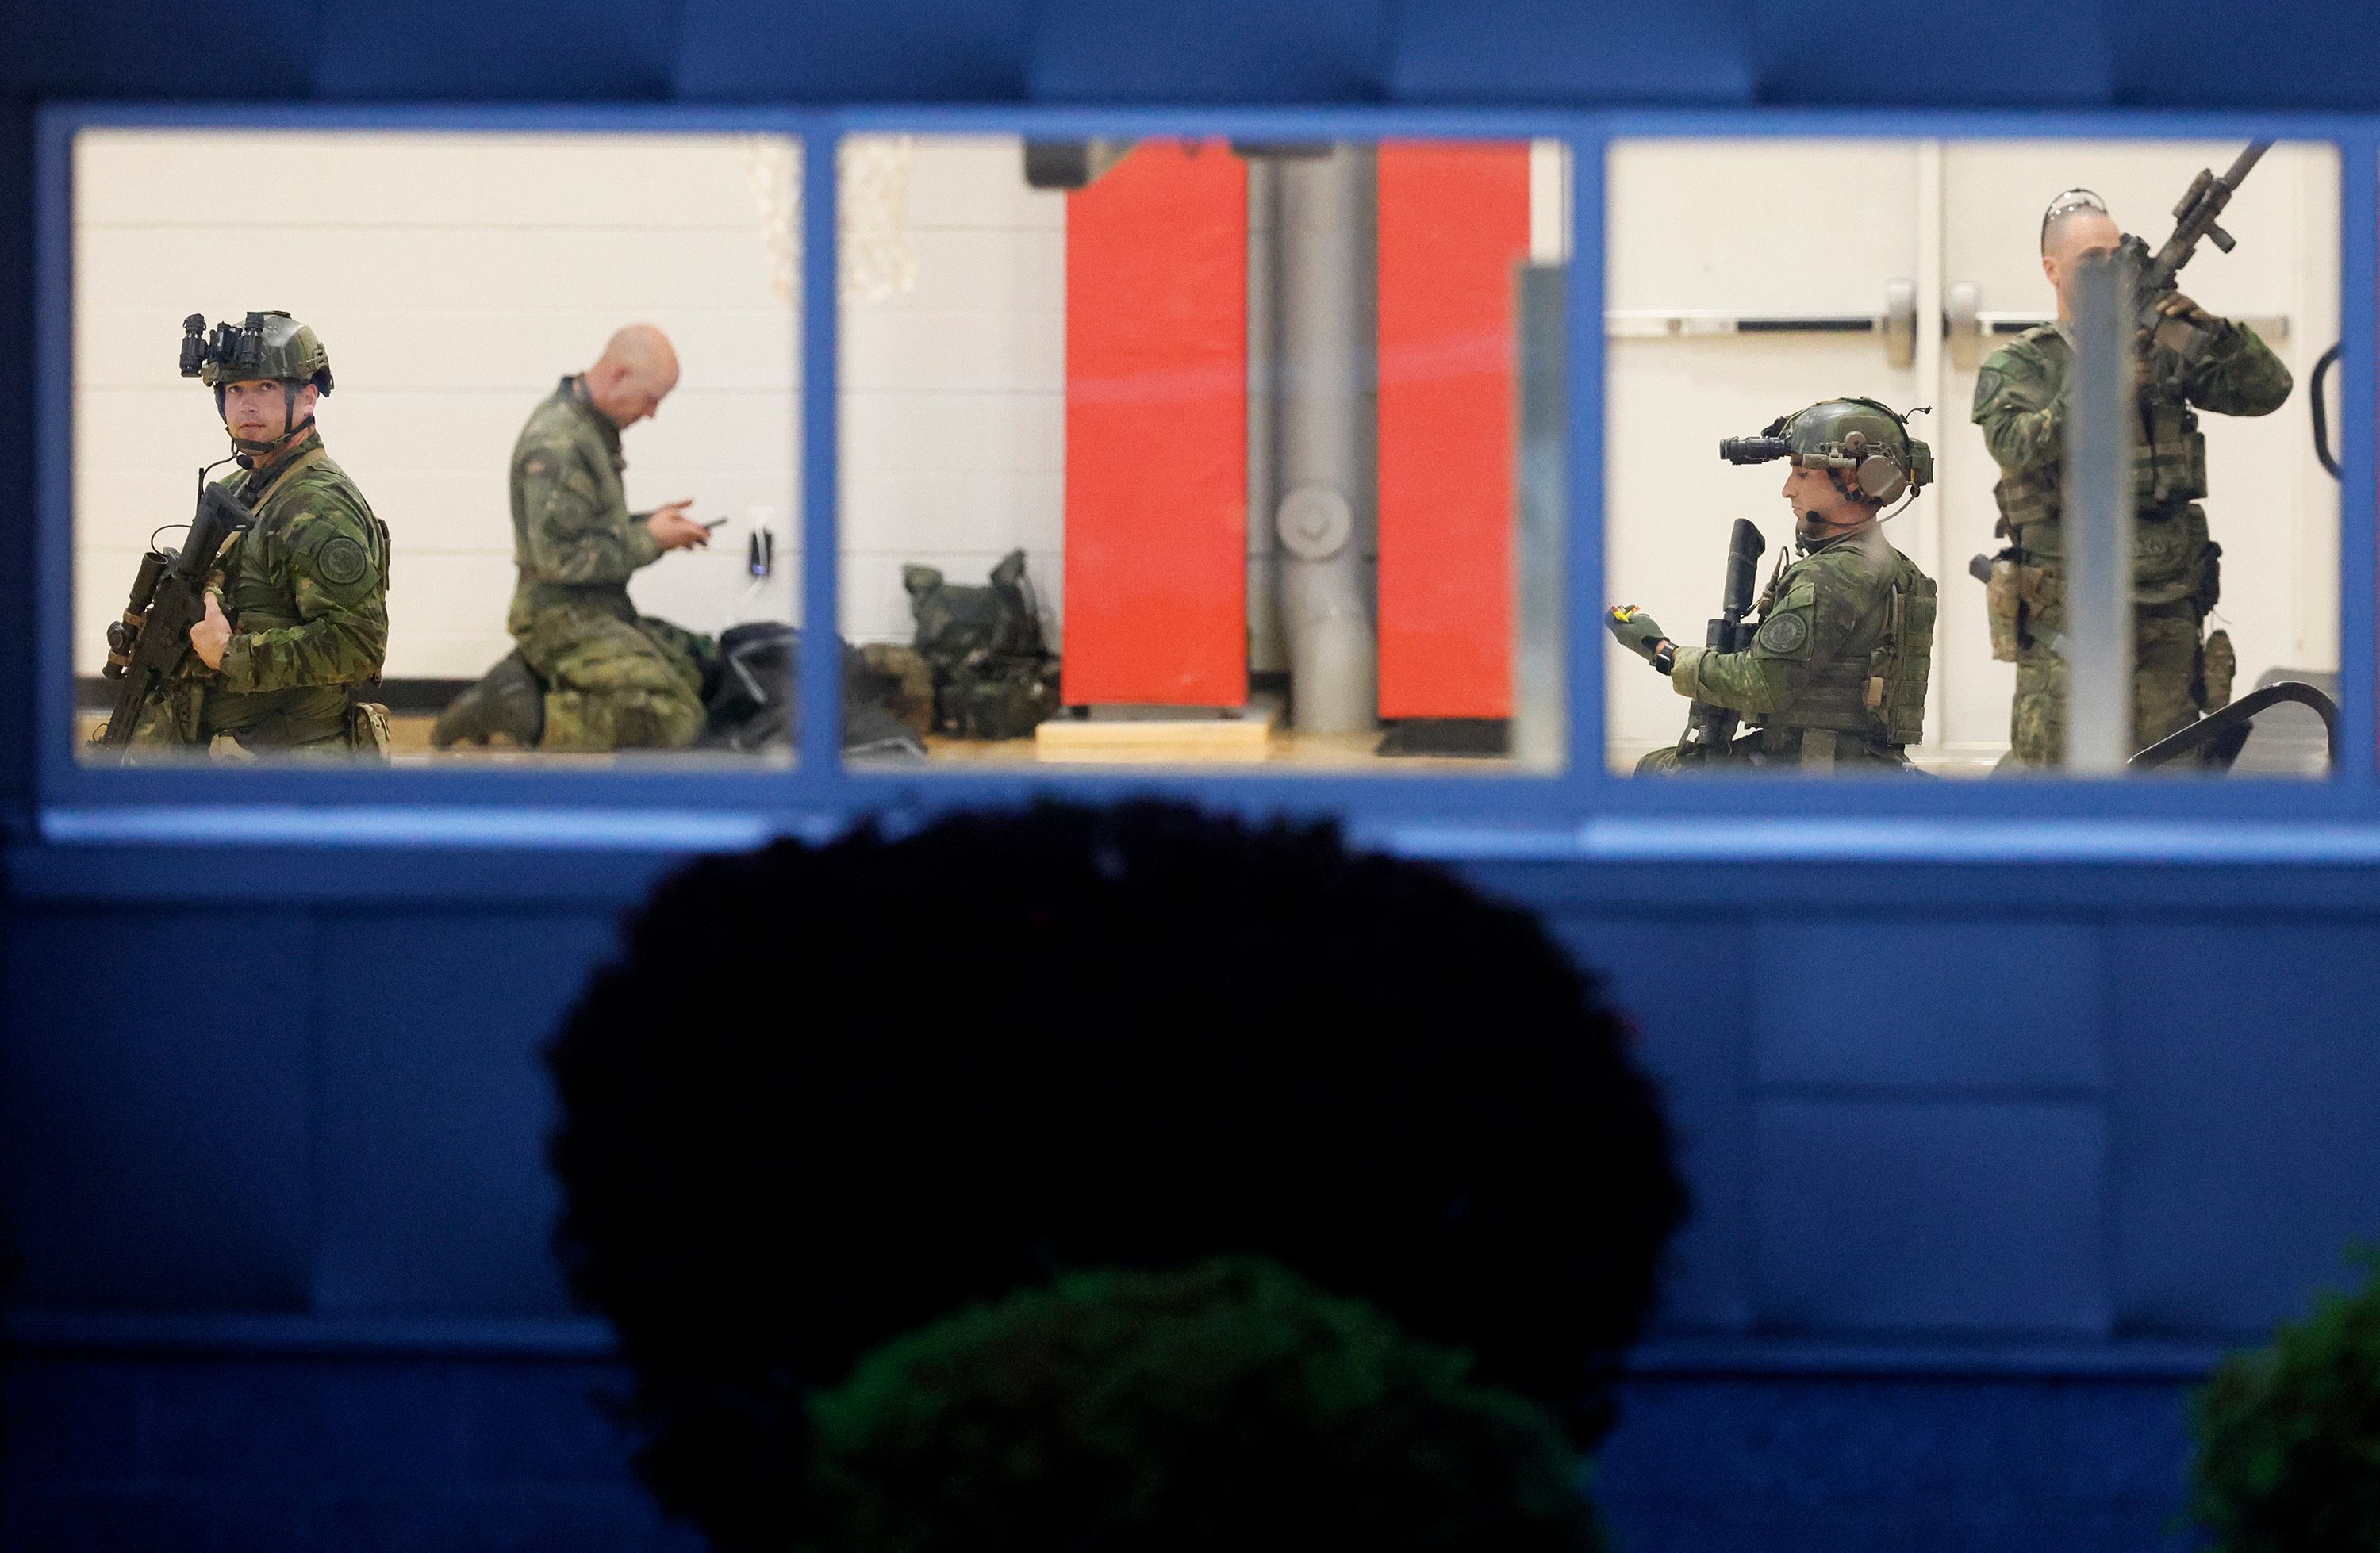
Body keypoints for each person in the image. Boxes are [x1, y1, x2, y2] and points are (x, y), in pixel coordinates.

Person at [1973, 188, 2293, 767]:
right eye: (2090, 260)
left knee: (2169, 767)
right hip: (2069, 610)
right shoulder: (2022, 364)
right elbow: (2013, 445)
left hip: (2168, 599)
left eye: (2117, 253)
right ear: (2052, 270)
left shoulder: (2161, 351)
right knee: (2062, 771)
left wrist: (2218, 335)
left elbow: (2267, 392)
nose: (2110, 269)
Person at [1607, 398, 1937, 773]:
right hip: (1866, 764)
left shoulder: (1832, 576)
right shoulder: (1898, 570)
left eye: (1801, 473)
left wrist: (1663, 652)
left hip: (1811, 768)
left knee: (1658, 771)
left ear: (1852, 479)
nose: (1787, 489)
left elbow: (1760, 683)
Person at [434, 324, 716, 750]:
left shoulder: (590, 427)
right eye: (652, 399)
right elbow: (559, 559)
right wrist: (650, 540)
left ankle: (526, 682)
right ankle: (528, 713)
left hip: (597, 609)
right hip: (560, 619)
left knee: (696, 671)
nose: (653, 413)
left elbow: (585, 527)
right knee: (674, 719)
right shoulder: (559, 443)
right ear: (620, 375)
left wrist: (653, 526)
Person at [126, 311, 391, 758]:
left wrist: (231, 654)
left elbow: (358, 643)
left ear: (307, 398)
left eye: (265, 388)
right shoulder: (235, 491)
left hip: (293, 770)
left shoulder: (316, 504)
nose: (246, 406)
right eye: (234, 390)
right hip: (227, 761)